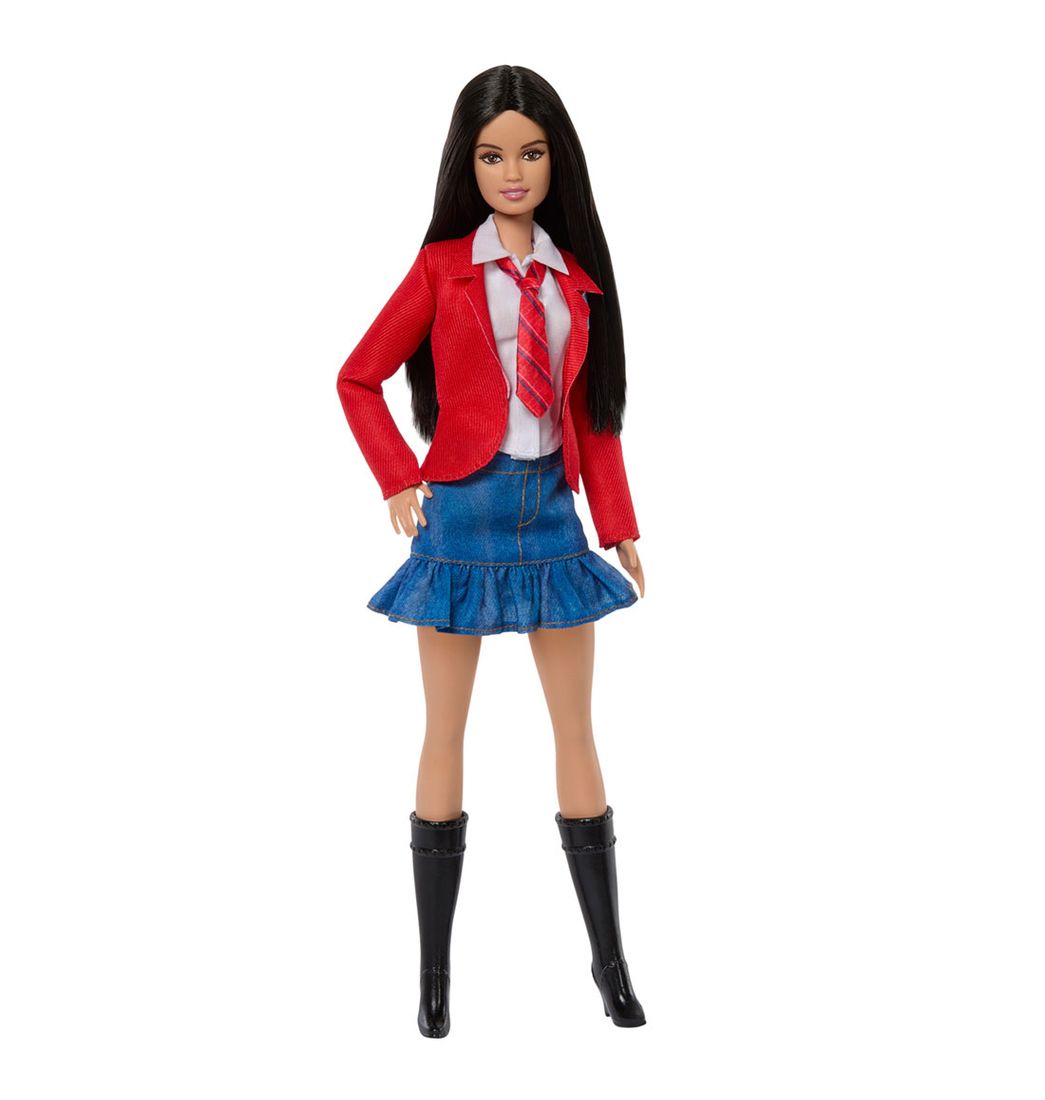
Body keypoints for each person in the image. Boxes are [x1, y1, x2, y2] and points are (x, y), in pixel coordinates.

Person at [336, 64, 647, 1036]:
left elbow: (593, 416)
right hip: (462, 512)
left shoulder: (573, 277)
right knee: (444, 731)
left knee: (576, 731)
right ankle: (433, 976)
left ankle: (610, 962)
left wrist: (617, 522)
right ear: (465, 165)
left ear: (557, 160)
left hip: (548, 514)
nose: (512, 172)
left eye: (530, 153)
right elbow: (358, 376)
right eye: (491, 155)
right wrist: (398, 475)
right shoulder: (443, 269)